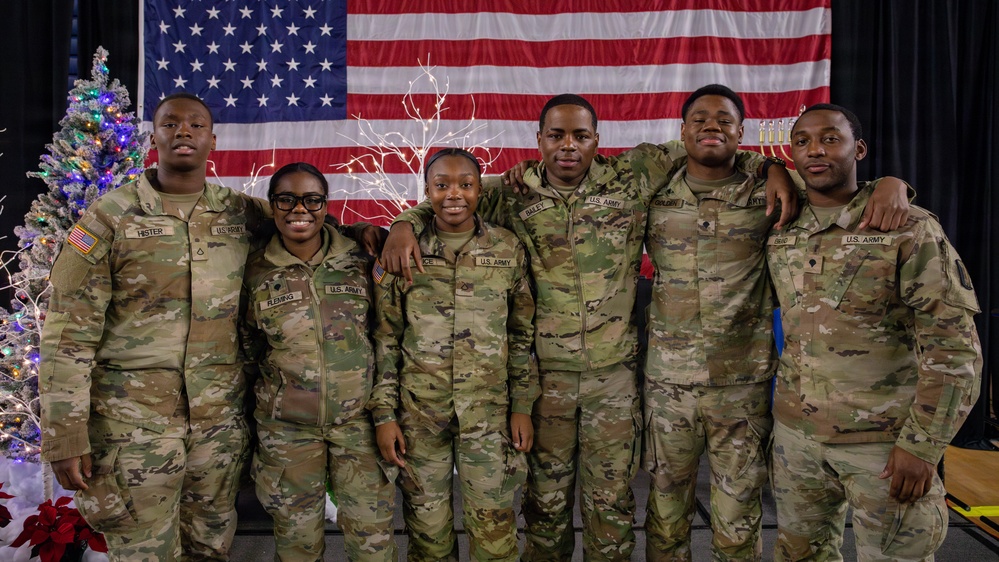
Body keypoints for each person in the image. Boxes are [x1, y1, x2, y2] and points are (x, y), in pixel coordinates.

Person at [380, 95, 796, 560]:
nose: (568, 146)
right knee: (545, 506)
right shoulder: (512, 193)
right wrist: (403, 222)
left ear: (597, 140)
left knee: (611, 505)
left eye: (580, 136)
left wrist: (771, 168)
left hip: (613, 378)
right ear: (538, 141)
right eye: (556, 135)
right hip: (545, 383)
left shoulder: (631, 176)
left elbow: (710, 144)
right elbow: (453, 196)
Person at [642, 86, 911, 561]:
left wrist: (894, 182)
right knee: (665, 515)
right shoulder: (651, 187)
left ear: (742, 133)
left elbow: (842, 191)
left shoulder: (770, 189)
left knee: (740, 515)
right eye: (699, 120)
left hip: (742, 384)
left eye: (724, 121)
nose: (711, 127)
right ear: (681, 131)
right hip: (668, 384)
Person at [40, 92, 269, 559]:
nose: (183, 131)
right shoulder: (109, 217)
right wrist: (65, 434)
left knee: (211, 548)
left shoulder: (242, 215)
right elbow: (68, 334)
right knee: (144, 552)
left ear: (213, 140)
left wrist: (390, 230)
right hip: (133, 429)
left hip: (217, 425)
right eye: (170, 123)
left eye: (195, 125)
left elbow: (311, 229)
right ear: (154, 137)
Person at [767, 103, 982, 561]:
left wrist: (923, 446)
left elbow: (953, 347)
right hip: (796, 441)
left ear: (858, 148)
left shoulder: (908, 227)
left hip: (882, 445)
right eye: (802, 142)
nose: (815, 151)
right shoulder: (784, 227)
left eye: (830, 138)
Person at [370, 148, 537, 561]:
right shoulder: (401, 252)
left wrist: (522, 406)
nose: (454, 194)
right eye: (441, 185)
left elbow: (520, 335)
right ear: (426, 191)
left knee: (495, 529)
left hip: (488, 412)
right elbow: (386, 338)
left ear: (481, 190)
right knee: (428, 535)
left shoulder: (507, 248)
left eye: (466, 184)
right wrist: (385, 414)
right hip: (420, 413)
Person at [240, 162, 397, 561]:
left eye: (312, 200)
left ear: (326, 205)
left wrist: (383, 414)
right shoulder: (254, 270)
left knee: (373, 543)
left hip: (358, 426)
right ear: (272, 205)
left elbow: (386, 339)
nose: (299, 210)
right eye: (286, 199)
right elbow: (247, 350)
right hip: (288, 432)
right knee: (297, 546)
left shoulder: (362, 260)